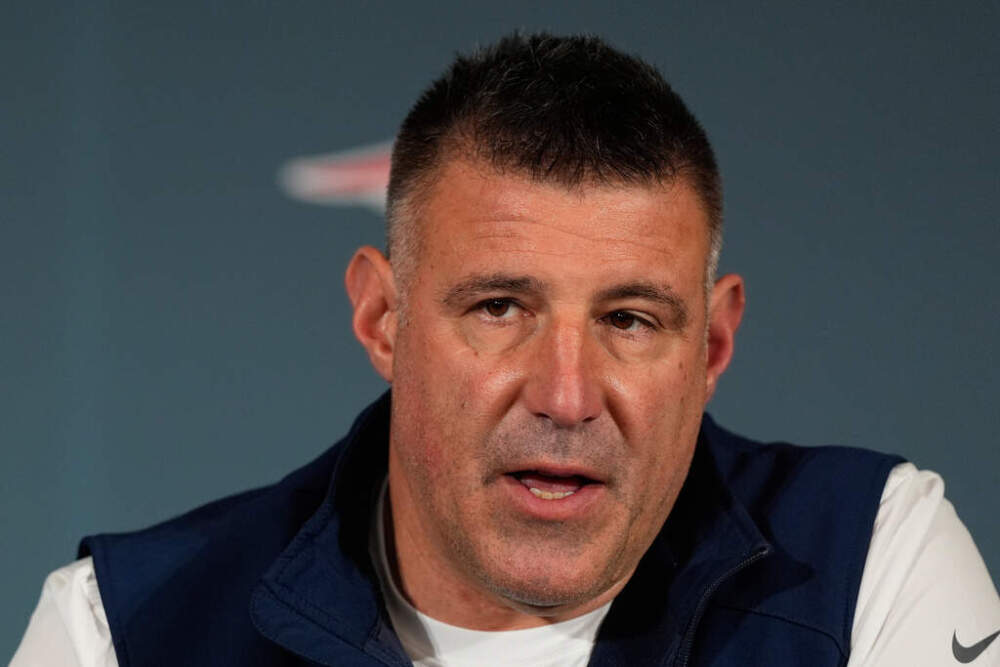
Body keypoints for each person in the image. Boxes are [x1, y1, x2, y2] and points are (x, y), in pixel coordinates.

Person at [12, 32, 999, 667]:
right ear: (383, 319)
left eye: (628, 319)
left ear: (711, 344)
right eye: (498, 307)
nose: (566, 395)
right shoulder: (123, 631)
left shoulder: (871, 558)